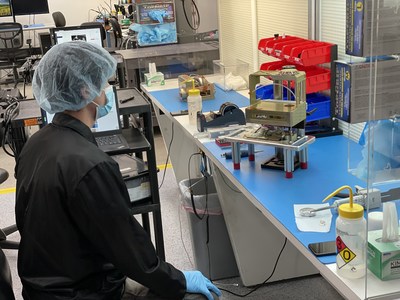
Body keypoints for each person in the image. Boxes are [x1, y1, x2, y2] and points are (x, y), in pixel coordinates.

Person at [14, 41, 221, 300]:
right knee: (196, 297)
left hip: (42, 289)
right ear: (84, 89)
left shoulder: (36, 143)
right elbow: (133, 254)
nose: (108, 88)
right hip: (82, 292)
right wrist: (179, 280)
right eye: (103, 81)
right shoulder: (91, 164)